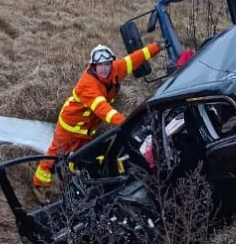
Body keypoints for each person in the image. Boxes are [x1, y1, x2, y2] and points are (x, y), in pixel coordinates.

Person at [32, 42, 164, 204]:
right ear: (93, 66)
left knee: (83, 155)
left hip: (88, 128)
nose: (104, 68)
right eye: (99, 65)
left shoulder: (115, 69)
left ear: (111, 63)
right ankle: (40, 185)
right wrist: (126, 123)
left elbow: (134, 59)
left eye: (106, 64)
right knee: (54, 154)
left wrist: (157, 46)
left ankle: (72, 176)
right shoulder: (88, 85)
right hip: (70, 126)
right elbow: (103, 109)